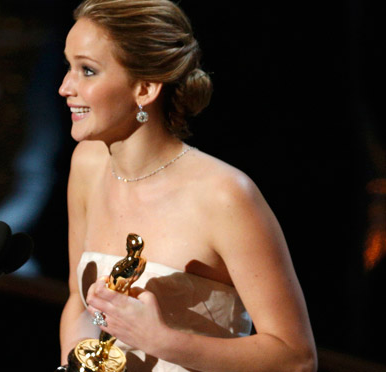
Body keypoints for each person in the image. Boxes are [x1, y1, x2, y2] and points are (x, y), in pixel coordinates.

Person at [57, 0, 318, 371]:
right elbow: (78, 302)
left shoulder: (225, 196)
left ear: (145, 88)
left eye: (87, 70)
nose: (66, 87)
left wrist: (163, 342)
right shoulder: (87, 163)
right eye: (69, 67)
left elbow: (296, 359)